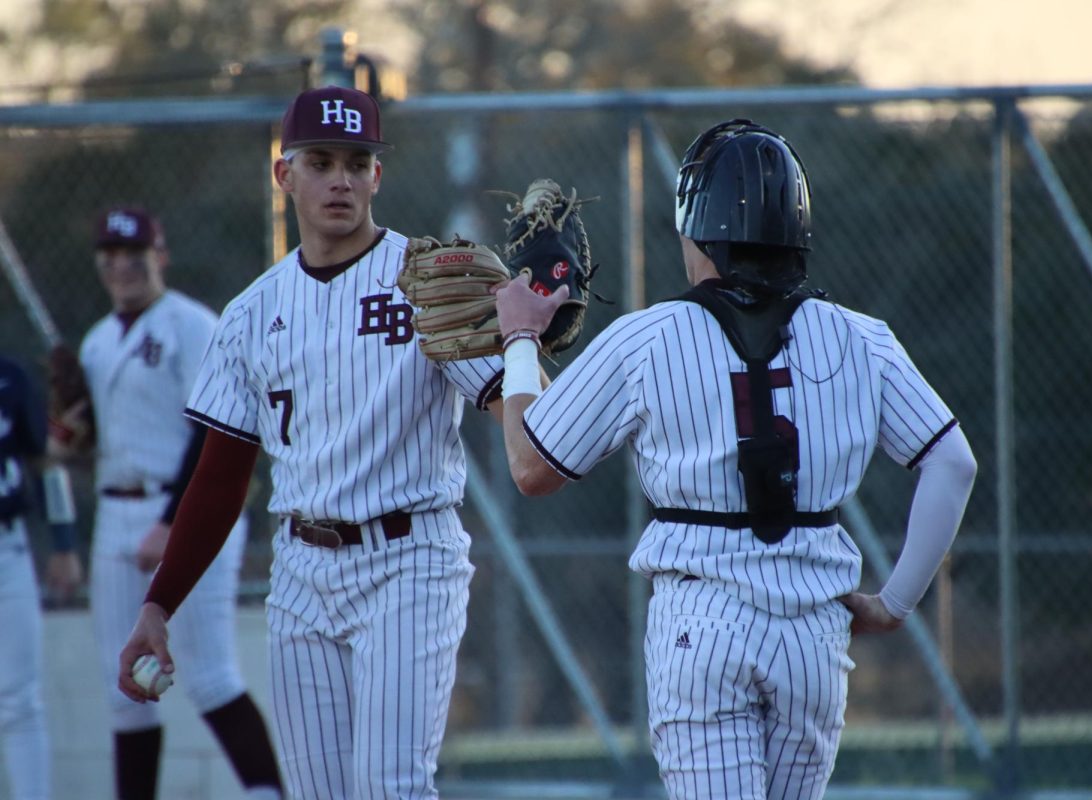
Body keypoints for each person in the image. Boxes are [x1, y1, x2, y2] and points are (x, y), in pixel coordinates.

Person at [493, 119, 978, 799]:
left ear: (697, 228)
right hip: (814, 633)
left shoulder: (647, 338)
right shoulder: (863, 339)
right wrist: (895, 603)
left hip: (702, 625)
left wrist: (519, 339)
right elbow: (953, 464)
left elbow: (530, 466)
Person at [117, 85, 518, 798]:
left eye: (357, 162)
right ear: (285, 174)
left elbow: (513, 416)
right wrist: (158, 604)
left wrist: (521, 341)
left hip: (409, 558)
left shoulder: (428, 281)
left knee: (389, 785)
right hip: (301, 571)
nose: (340, 178)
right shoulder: (250, 314)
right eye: (321, 160)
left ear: (376, 176)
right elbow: (219, 479)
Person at [71, 206, 282, 800]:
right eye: (110, 257)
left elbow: (211, 430)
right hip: (115, 510)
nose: (123, 267)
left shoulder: (191, 324)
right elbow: (95, 438)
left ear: (159, 255)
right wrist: (68, 434)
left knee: (210, 675)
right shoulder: (96, 342)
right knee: (124, 691)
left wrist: (169, 522)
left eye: (134, 255)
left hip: (185, 507)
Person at [0, 353, 83, 800]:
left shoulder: (9, 375)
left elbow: (45, 460)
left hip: (7, 549)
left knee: (20, 700)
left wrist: (66, 543)